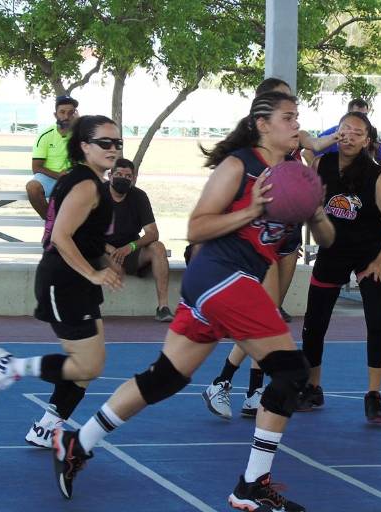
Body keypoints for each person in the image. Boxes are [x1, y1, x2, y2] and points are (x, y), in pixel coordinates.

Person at [51, 91, 335, 511]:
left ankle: (79, 442)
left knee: (166, 377)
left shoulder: (295, 175)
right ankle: (251, 486)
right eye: (288, 117)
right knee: (291, 374)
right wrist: (251, 210)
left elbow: (327, 241)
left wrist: (315, 212)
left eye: (298, 117)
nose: (297, 125)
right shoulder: (239, 165)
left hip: (228, 284)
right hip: (221, 275)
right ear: (262, 124)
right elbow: (196, 228)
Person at [0, 115, 123, 449]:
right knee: (86, 364)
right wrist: (94, 272)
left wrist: (103, 260)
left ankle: (46, 427)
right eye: (105, 142)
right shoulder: (86, 183)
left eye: (117, 143)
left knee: (89, 367)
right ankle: (10, 366)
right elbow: (61, 236)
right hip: (65, 281)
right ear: (84, 146)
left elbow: (82, 235)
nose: (113, 149)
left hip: (77, 281)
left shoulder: (87, 179)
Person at [201, 77, 338, 421]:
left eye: (294, 110)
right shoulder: (248, 154)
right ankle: (224, 381)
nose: (293, 118)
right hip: (258, 240)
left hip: (287, 234)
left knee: (271, 313)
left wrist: (339, 137)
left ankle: (251, 391)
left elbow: (316, 145)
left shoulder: (294, 138)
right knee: (263, 318)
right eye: (286, 109)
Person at [297, 112, 381, 423]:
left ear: (368, 141)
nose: (350, 137)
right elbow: (306, 150)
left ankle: (373, 395)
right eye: (345, 130)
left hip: (368, 254)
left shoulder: (375, 176)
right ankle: (313, 387)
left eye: (358, 133)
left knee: (377, 321)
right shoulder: (322, 165)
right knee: (314, 325)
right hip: (333, 251)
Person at [104, 158, 174, 322]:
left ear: (134, 178)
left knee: (158, 247)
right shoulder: (98, 194)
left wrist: (131, 246)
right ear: (110, 175)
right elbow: (86, 232)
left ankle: (163, 307)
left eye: (128, 176)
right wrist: (109, 250)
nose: (123, 178)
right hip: (102, 252)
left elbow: (152, 233)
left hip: (131, 252)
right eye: (119, 174)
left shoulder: (139, 196)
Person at [27, 95, 79, 219]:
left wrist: (79, 123)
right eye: (62, 112)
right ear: (55, 115)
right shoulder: (45, 135)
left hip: (73, 178)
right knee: (32, 188)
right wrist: (58, 175)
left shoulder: (80, 135)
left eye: (71, 113)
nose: (66, 116)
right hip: (50, 177)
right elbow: (36, 168)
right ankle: (52, 221)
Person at [314, 98, 381, 172]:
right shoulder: (332, 133)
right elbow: (307, 152)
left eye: (365, 114)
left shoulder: (372, 133)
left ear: (367, 141)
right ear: (348, 113)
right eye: (357, 114)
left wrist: (379, 176)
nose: (361, 117)